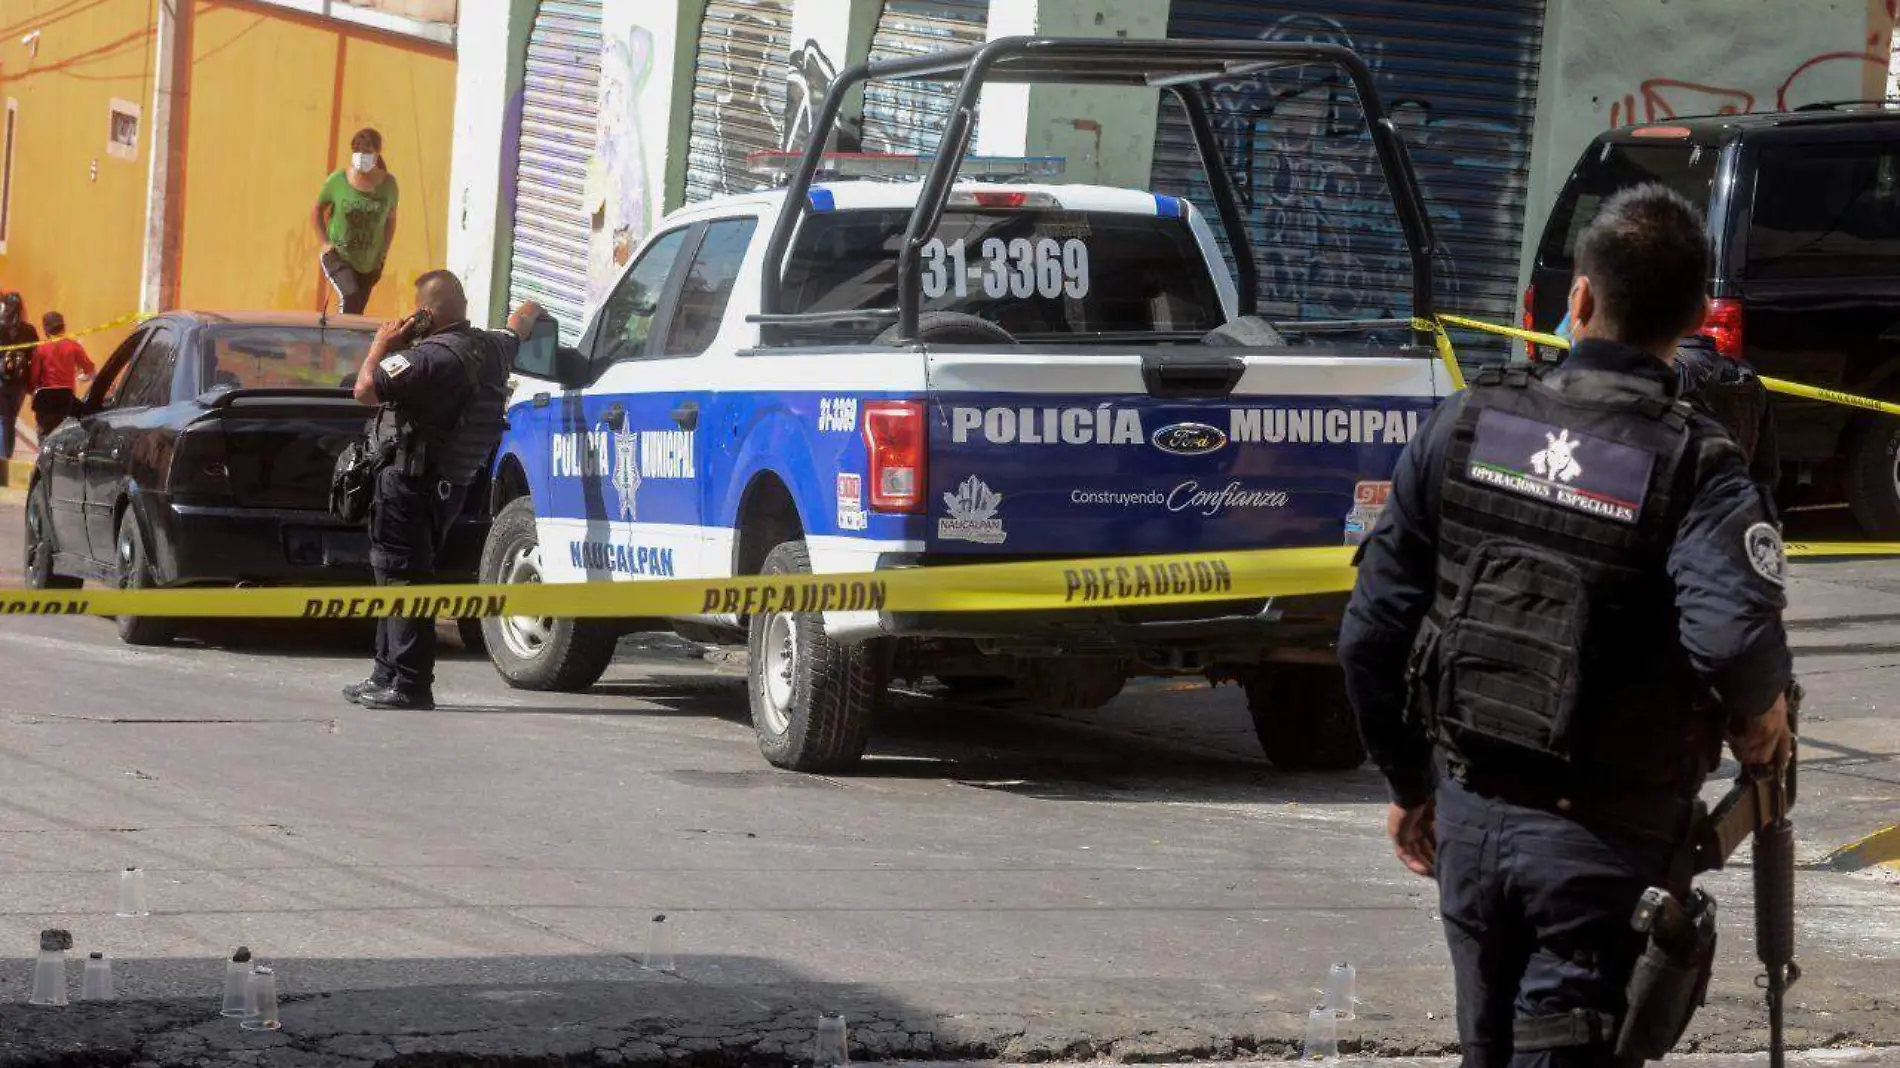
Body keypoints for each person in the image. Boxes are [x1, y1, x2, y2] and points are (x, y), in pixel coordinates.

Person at [1340, 184, 1794, 1068]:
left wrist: (1408, 783)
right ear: (1698, 316)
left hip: (1471, 828)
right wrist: (1762, 715)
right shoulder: (1697, 467)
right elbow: (1735, 642)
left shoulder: (1466, 426)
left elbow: (1370, 631)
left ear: (1579, 298)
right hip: (1602, 847)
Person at [346, 270, 536, 710]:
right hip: (447, 485)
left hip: (409, 483)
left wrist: (381, 342)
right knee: (397, 573)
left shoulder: (429, 358)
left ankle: (410, 684)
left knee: (402, 574)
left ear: (425, 312)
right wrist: (530, 315)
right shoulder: (491, 348)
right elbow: (518, 326)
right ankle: (385, 672)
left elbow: (364, 390)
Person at [314, 128, 400, 315]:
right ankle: (341, 340)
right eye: (357, 150)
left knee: (357, 309)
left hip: (370, 261)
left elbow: (391, 220)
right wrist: (325, 242)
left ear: (377, 153)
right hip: (338, 254)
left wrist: (384, 251)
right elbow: (317, 210)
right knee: (350, 296)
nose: (361, 155)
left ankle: (349, 342)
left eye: (367, 151)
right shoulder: (338, 180)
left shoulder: (389, 185)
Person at [29, 312, 95, 437]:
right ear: (63, 327)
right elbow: (89, 368)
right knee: (63, 436)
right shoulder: (74, 346)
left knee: (45, 436)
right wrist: (81, 377)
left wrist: (33, 391)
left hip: (45, 400)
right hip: (66, 400)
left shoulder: (41, 349)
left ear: (46, 330)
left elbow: (34, 377)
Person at [0, 292, 41, 459]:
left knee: (2, 421)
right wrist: (32, 383)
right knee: (9, 422)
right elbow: (36, 357)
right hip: (20, 384)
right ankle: (6, 458)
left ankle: (2, 464)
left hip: (1, 380)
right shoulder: (29, 330)